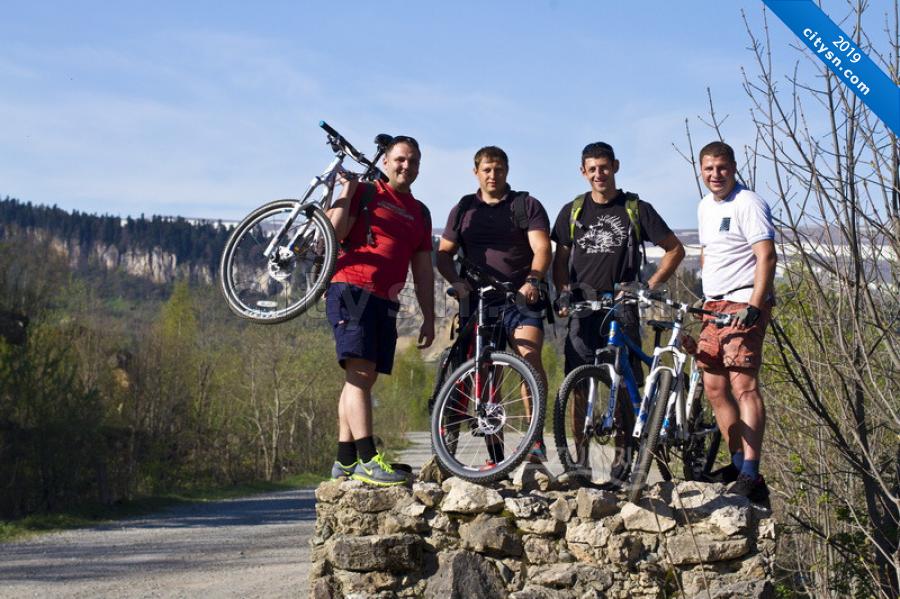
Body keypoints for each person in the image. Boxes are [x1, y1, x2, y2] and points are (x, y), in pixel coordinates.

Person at [551, 141, 685, 487]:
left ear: (616, 167)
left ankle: (622, 465)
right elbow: (560, 257)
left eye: (604, 167)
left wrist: (648, 284)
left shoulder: (635, 208)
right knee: (578, 384)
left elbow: (674, 249)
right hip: (583, 306)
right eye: (592, 168)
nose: (599, 174)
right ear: (583, 172)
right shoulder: (572, 210)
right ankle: (579, 464)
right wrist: (564, 291)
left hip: (621, 305)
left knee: (624, 384)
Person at [326, 135, 435, 486]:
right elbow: (333, 233)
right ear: (386, 162)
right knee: (358, 374)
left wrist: (430, 316)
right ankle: (369, 459)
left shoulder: (420, 213)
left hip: (386, 300)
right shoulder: (366, 192)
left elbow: (421, 269)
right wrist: (344, 192)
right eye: (400, 159)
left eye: (413, 161)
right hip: (350, 288)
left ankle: (345, 461)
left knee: (363, 378)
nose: (406, 166)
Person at [436, 146, 552, 465]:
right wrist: (456, 284)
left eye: (498, 169)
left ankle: (536, 441)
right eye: (486, 169)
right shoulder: (463, 209)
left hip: (519, 296)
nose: (493, 174)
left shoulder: (526, 205)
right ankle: (494, 454)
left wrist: (534, 279)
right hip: (478, 300)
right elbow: (443, 253)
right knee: (483, 374)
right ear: (476, 172)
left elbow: (542, 247)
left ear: (507, 171)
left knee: (529, 359)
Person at [695, 141, 776, 503]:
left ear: (733, 167)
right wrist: (703, 297)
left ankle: (751, 471)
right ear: (701, 170)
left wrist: (756, 305)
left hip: (744, 301)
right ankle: (736, 460)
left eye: (722, 168)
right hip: (713, 305)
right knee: (713, 386)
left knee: (743, 385)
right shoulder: (703, 207)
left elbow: (766, 256)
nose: (716, 175)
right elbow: (709, 255)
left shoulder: (749, 203)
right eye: (709, 169)